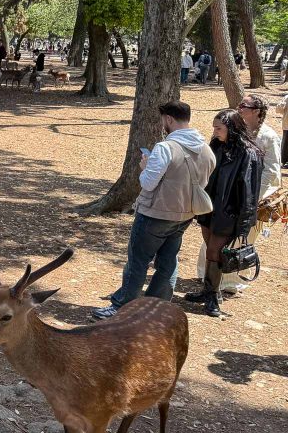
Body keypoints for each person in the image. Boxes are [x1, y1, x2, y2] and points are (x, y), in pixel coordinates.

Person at [92, 101, 215, 319]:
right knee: (168, 261)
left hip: (155, 214)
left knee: (138, 262)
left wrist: (145, 167)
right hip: (185, 214)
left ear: (168, 119)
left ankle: (121, 308)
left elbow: (148, 183)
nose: (162, 125)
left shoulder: (165, 148)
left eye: (163, 120)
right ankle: (156, 308)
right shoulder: (206, 149)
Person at [186, 109, 262, 317]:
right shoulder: (216, 146)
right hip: (209, 209)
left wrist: (244, 223)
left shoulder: (249, 153)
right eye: (214, 127)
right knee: (211, 251)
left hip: (228, 213)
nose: (215, 131)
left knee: (214, 252)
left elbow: (249, 192)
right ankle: (208, 291)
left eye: (218, 128)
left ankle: (212, 297)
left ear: (232, 128)